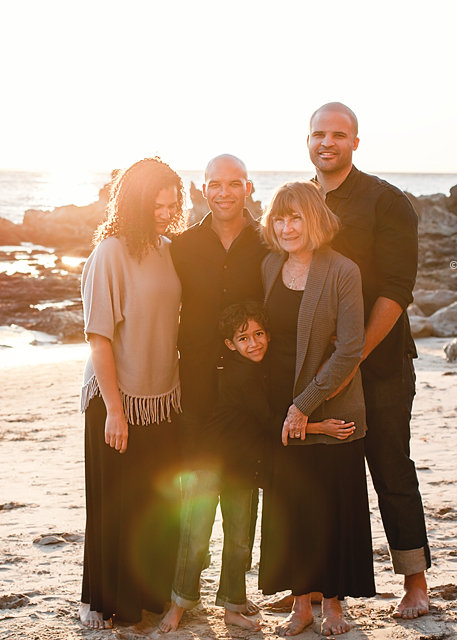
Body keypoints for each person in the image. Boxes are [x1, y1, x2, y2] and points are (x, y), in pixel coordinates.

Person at [308, 102, 430, 619]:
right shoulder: (298, 200)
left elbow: (398, 289)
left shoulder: (386, 200)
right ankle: (317, 586)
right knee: (321, 477)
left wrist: (354, 356)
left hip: (379, 365)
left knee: (390, 467)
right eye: (318, 134)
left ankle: (415, 583)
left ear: (355, 142)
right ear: (307, 140)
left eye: (338, 134)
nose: (327, 142)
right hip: (316, 369)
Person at [258, 180, 374, 636]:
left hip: (332, 404)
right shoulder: (270, 266)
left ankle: (334, 607)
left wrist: (304, 406)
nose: (287, 228)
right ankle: (301, 606)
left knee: (331, 505)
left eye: (296, 218)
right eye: (279, 219)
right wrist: (283, 409)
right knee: (292, 508)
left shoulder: (343, 271)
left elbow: (350, 348)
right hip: (281, 406)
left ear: (315, 220)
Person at [159, 154, 269, 632]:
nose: (223, 192)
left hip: (249, 393)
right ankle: (181, 599)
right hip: (199, 390)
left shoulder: (268, 242)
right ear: (202, 190)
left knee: (243, 505)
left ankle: (232, 599)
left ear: (247, 187)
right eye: (214, 185)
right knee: (196, 502)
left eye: (233, 184)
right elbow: (158, 303)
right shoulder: (181, 246)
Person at [78, 157, 187, 629]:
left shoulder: (169, 248)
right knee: (114, 503)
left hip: (162, 397)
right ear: (137, 204)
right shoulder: (109, 253)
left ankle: (148, 592)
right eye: (158, 206)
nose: (166, 213)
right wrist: (116, 412)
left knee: (154, 504)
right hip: (115, 396)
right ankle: (100, 599)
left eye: (173, 204)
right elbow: (98, 337)